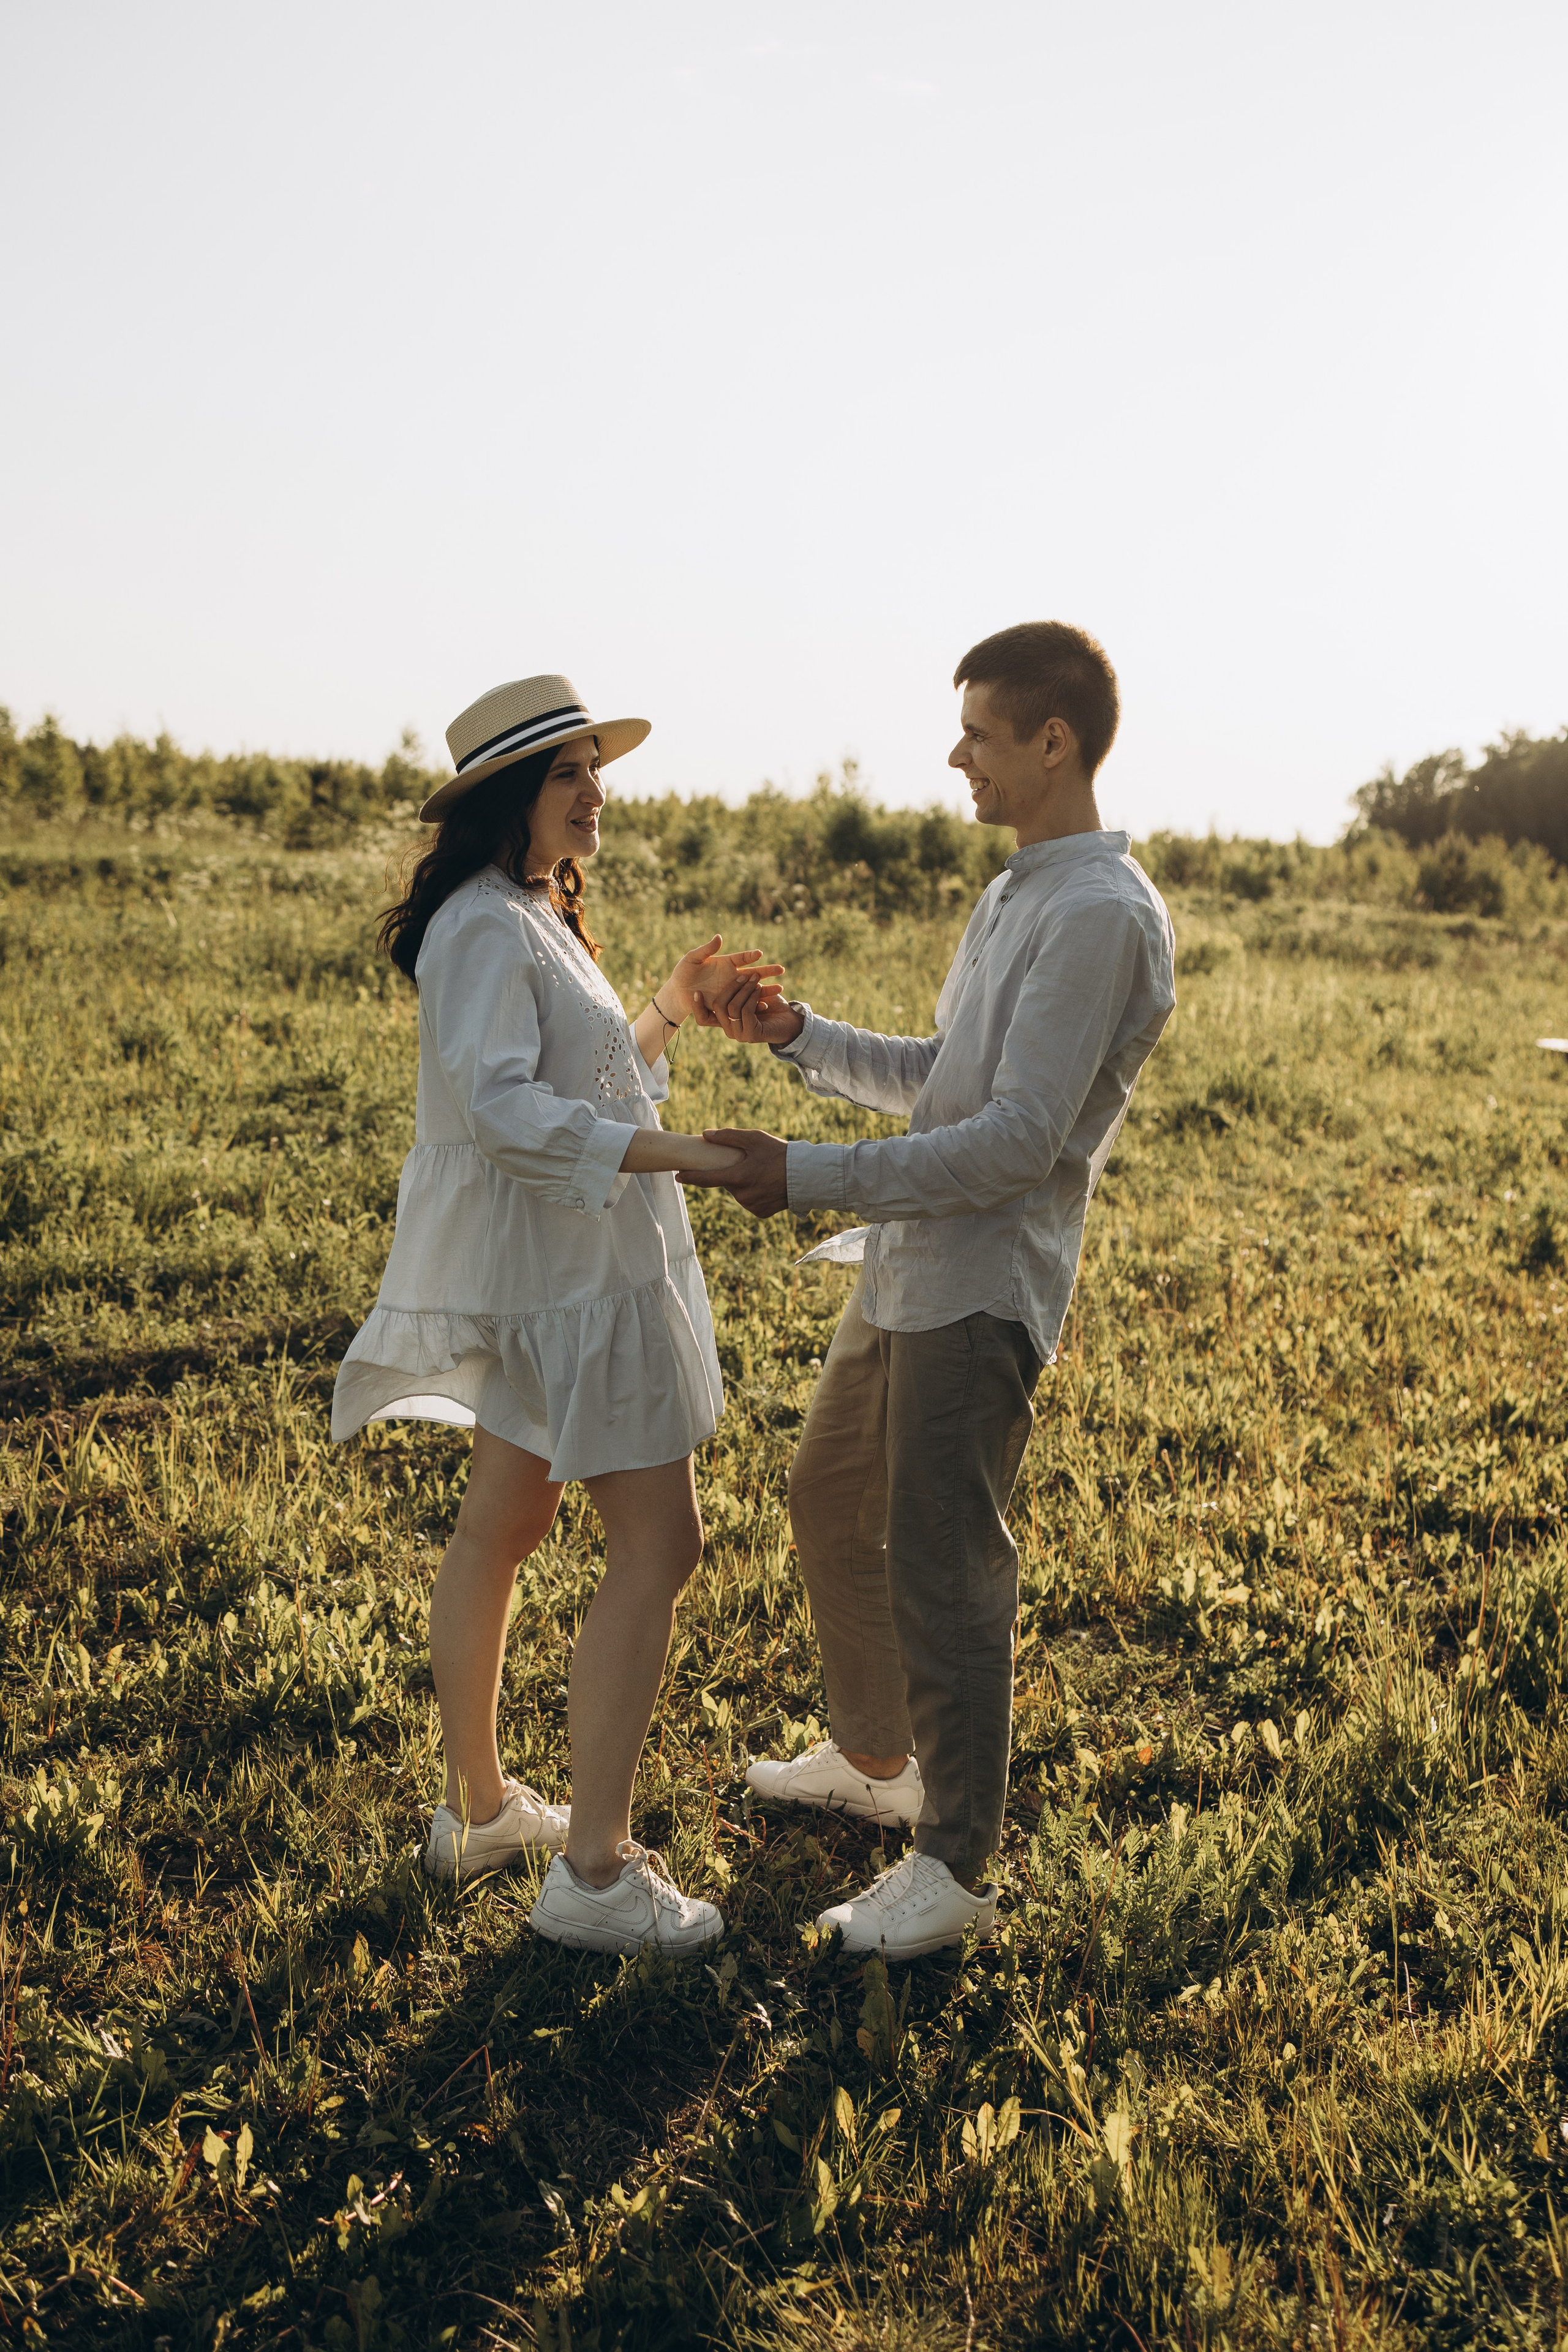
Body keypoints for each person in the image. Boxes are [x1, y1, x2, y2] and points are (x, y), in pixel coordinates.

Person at [684, 622, 1176, 1959]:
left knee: (947, 1567)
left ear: (1050, 742)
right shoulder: (1019, 888)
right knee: (827, 1501)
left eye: (976, 732)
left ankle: (951, 1863)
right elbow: (944, 1078)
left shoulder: (1097, 914)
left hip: (979, 1286)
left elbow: (1018, 1142)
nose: (954, 754)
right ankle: (874, 1758)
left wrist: (810, 1175)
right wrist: (799, 1038)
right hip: (905, 1265)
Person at [332, 673, 778, 1954]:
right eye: (569, 773)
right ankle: (590, 1873)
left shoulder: (526, 914)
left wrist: (665, 1013)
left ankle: (479, 1811)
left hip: (562, 1272)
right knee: (661, 1547)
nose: (595, 793)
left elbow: (580, 1080)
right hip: (575, 1286)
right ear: (507, 798)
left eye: (595, 768)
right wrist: (689, 1156)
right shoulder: (482, 926)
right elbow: (507, 1116)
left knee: (506, 1518)